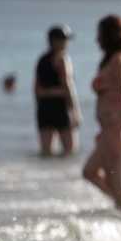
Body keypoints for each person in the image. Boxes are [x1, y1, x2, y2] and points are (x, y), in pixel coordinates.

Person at [82, 15, 121, 211]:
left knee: (101, 175)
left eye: (99, 34)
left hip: (117, 126)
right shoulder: (116, 59)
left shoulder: (119, 59)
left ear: (108, 35)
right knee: (99, 174)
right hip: (110, 127)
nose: (96, 39)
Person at [34, 25, 81, 156]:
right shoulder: (63, 59)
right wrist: (75, 111)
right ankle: (64, 175)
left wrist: (43, 99)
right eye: (64, 39)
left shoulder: (42, 60)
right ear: (54, 41)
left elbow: (36, 90)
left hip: (43, 108)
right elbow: (68, 86)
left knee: (46, 152)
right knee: (69, 151)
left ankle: (46, 174)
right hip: (60, 107)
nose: (66, 43)